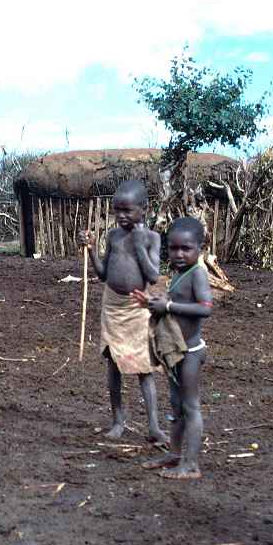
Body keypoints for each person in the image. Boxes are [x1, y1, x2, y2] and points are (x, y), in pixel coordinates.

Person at [78, 179, 167, 444]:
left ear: (144, 209)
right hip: (113, 306)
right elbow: (104, 274)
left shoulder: (152, 238)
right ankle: (118, 421)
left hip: (137, 308)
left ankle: (154, 427)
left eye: (128, 211)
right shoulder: (113, 236)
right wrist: (92, 250)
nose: (121, 216)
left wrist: (139, 244)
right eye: (117, 211)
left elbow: (152, 276)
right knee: (114, 365)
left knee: (144, 368)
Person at [133, 217, 213, 480]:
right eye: (174, 248)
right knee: (177, 406)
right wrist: (153, 302)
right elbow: (174, 301)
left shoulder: (198, 274)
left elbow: (205, 308)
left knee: (190, 408)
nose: (178, 254)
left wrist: (167, 307)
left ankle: (191, 465)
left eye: (186, 249)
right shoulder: (180, 274)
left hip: (190, 353)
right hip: (176, 353)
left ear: (200, 248)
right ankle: (175, 455)